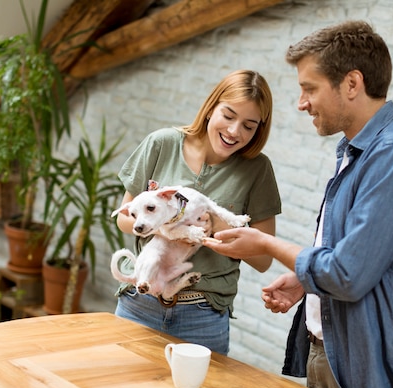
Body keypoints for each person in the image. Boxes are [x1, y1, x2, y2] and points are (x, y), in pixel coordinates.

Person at [203, 21, 393, 388]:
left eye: (309, 88)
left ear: (351, 83)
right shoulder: (356, 148)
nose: (301, 103)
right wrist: (304, 280)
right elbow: (358, 252)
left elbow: (347, 273)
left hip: (368, 374)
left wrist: (264, 243)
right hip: (334, 354)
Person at [113, 69, 282, 356]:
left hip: (203, 316)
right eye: (228, 116)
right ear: (211, 107)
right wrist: (167, 226)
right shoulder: (162, 144)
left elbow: (264, 259)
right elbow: (123, 218)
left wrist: (214, 225)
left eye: (249, 126)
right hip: (139, 302)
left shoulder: (257, 170)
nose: (234, 131)